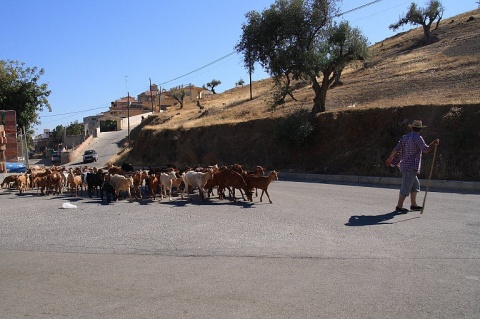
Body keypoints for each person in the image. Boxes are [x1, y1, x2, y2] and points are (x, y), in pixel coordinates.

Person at [386, 120, 440, 212]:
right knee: (406, 186)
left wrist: (390, 158)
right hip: (411, 166)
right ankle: (399, 206)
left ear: (412, 128)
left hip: (404, 165)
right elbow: (425, 150)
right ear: (420, 129)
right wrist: (433, 144)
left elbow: (396, 149)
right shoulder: (418, 137)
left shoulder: (405, 137)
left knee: (415, 185)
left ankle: (413, 205)